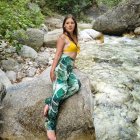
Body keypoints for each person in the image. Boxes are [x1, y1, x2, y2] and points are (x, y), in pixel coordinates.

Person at [43, 14, 81, 140]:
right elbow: (58, 54)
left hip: (69, 69)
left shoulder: (75, 36)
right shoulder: (62, 37)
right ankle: (50, 125)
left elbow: (73, 54)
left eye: (72, 23)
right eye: (67, 23)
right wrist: (52, 70)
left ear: (75, 24)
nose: (70, 25)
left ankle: (50, 101)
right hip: (62, 68)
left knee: (76, 86)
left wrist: (73, 66)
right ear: (64, 25)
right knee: (61, 91)